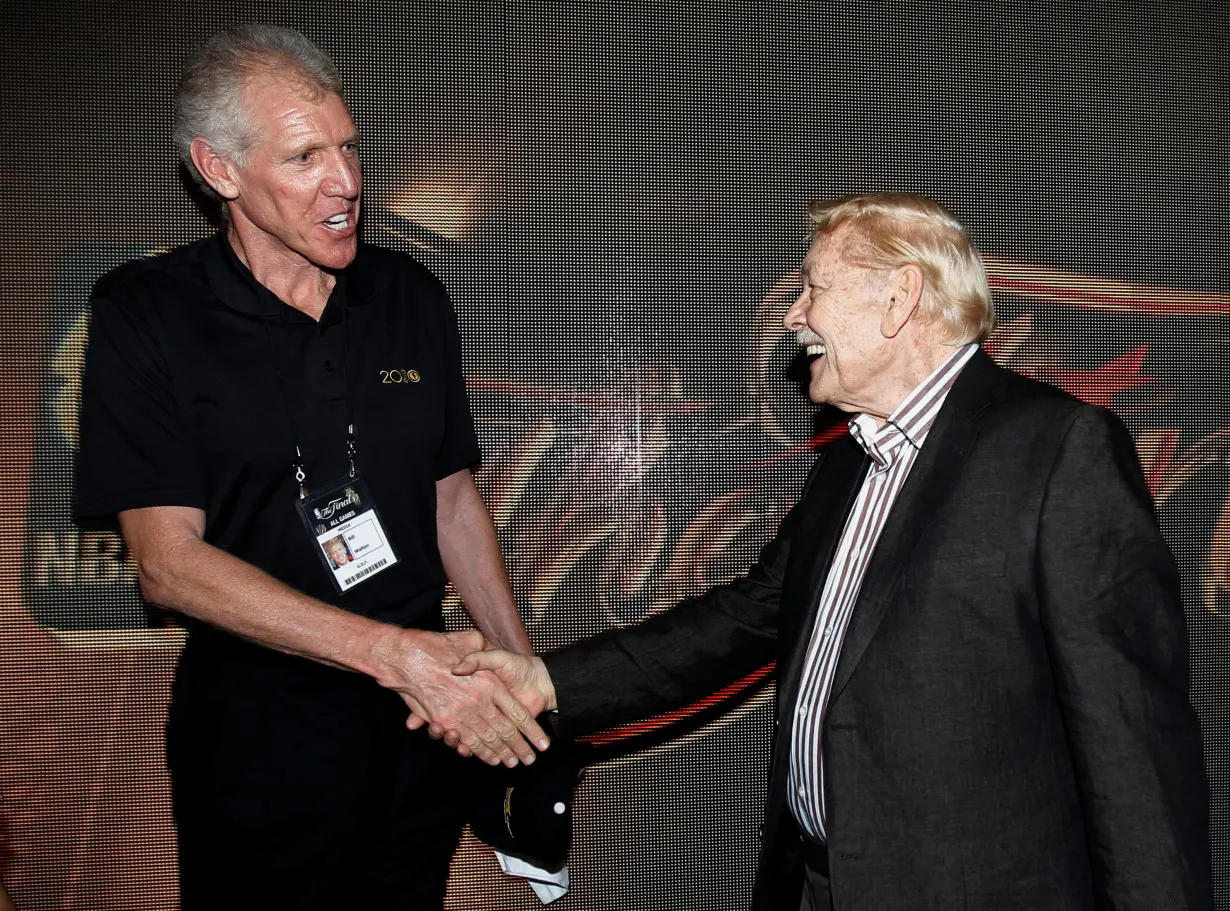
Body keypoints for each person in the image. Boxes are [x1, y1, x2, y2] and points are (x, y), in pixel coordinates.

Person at [444, 194, 1213, 910]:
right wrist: (544, 679)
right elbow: (740, 619)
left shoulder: (1058, 448)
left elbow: (1133, 742)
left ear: (899, 297)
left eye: (813, 288)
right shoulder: (850, 458)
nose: (792, 316)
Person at [74, 24, 548, 910]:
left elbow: (451, 497)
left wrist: (525, 678)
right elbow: (167, 564)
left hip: (423, 721)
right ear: (218, 170)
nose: (348, 183)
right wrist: (391, 654)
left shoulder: (409, 293)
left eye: (348, 146)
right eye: (304, 158)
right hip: (261, 730)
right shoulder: (146, 311)